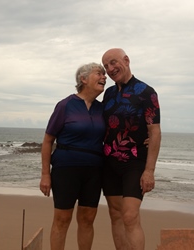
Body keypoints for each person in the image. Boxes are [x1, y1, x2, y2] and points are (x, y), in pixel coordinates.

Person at [40, 62, 107, 250]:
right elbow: (47, 141)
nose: (104, 77)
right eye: (99, 74)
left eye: (104, 75)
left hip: (94, 171)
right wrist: (45, 174)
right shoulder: (65, 105)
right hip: (65, 169)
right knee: (62, 219)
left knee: (87, 219)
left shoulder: (102, 109)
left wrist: (145, 139)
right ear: (83, 79)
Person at [101, 48, 161, 250]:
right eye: (106, 66)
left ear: (126, 60)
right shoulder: (108, 94)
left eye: (113, 62)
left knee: (129, 215)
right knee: (115, 215)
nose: (110, 69)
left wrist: (149, 171)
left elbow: (154, 132)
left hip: (135, 163)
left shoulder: (146, 92)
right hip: (109, 163)